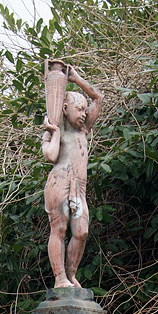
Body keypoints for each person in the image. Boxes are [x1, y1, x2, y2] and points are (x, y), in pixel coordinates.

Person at [42, 65, 103, 288]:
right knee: (59, 229)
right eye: (79, 109)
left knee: (81, 231)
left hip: (79, 186)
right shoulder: (54, 128)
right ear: (65, 108)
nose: (84, 113)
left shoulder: (83, 130)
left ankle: (71, 273)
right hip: (59, 182)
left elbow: (98, 98)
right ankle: (60, 278)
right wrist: (55, 132)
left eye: (84, 110)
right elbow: (51, 155)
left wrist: (76, 79)